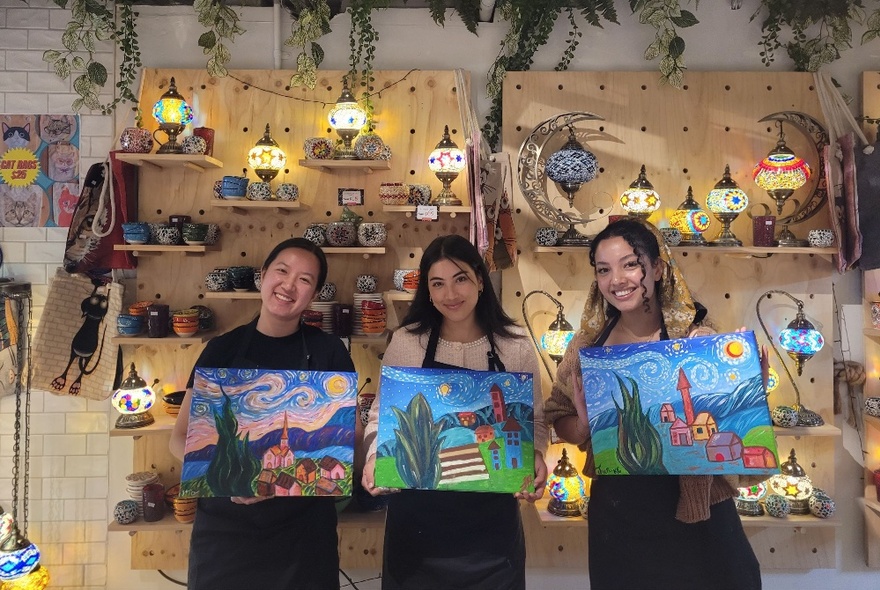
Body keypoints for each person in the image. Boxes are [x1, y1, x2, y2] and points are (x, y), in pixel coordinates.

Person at [544, 218, 762, 590]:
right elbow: (559, 417)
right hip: (620, 518)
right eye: (604, 269)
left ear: (658, 268)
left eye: (631, 264)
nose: (617, 280)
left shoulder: (698, 337)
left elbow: (728, 424)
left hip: (700, 514)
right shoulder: (587, 346)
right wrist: (584, 422)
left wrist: (750, 378)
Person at [361, 234, 548, 590]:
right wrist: (374, 456)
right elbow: (379, 418)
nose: (451, 294)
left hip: (492, 533)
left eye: (460, 278)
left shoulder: (516, 346)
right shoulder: (406, 342)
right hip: (416, 529)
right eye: (438, 284)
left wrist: (536, 455)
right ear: (428, 292)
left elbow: (534, 420)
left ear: (480, 279)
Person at [169, 237, 355, 590]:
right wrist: (232, 477)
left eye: (304, 280)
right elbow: (180, 439)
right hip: (226, 536)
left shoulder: (330, 353)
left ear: (313, 295)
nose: (289, 285)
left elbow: (350, 442)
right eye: (282, 271)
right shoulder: (220, 350)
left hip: (303, 538)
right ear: (263, 275)